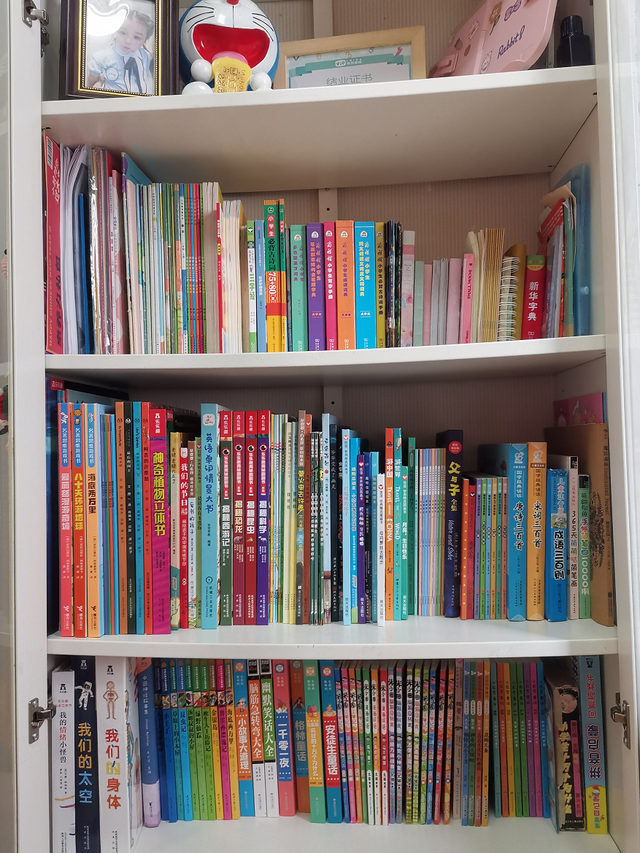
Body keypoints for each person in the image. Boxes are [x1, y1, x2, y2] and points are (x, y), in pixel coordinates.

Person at [86, 9, 155, 94]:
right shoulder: (100, 58)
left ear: (145, 40)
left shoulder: (146, 56)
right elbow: (90, 85)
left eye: (136, 37)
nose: (128, 41)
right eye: (122, 32)